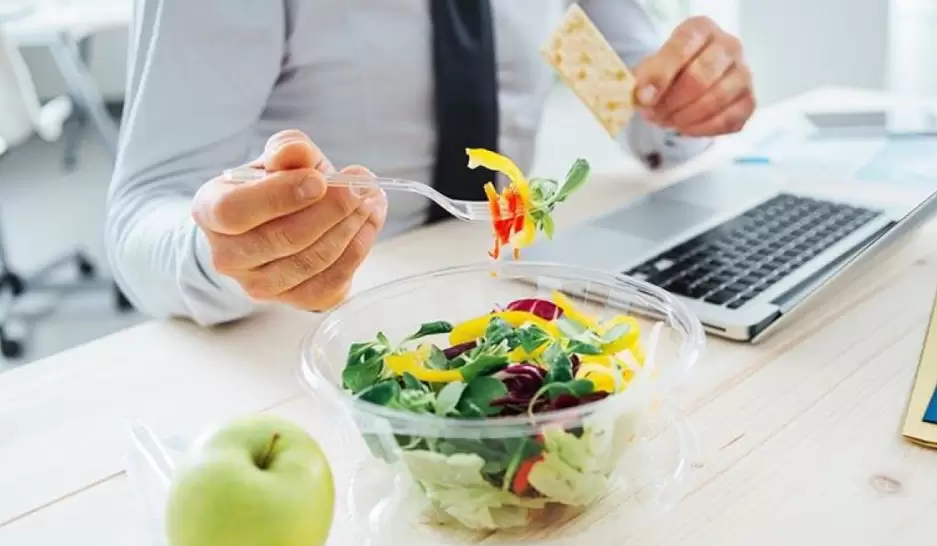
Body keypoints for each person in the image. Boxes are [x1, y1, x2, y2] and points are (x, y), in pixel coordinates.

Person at [106, 0, 756, 327]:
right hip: (310, 327)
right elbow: (143, 212)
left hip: (511, 295)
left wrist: (695, 95)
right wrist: (237, 251)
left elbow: (646, 112)